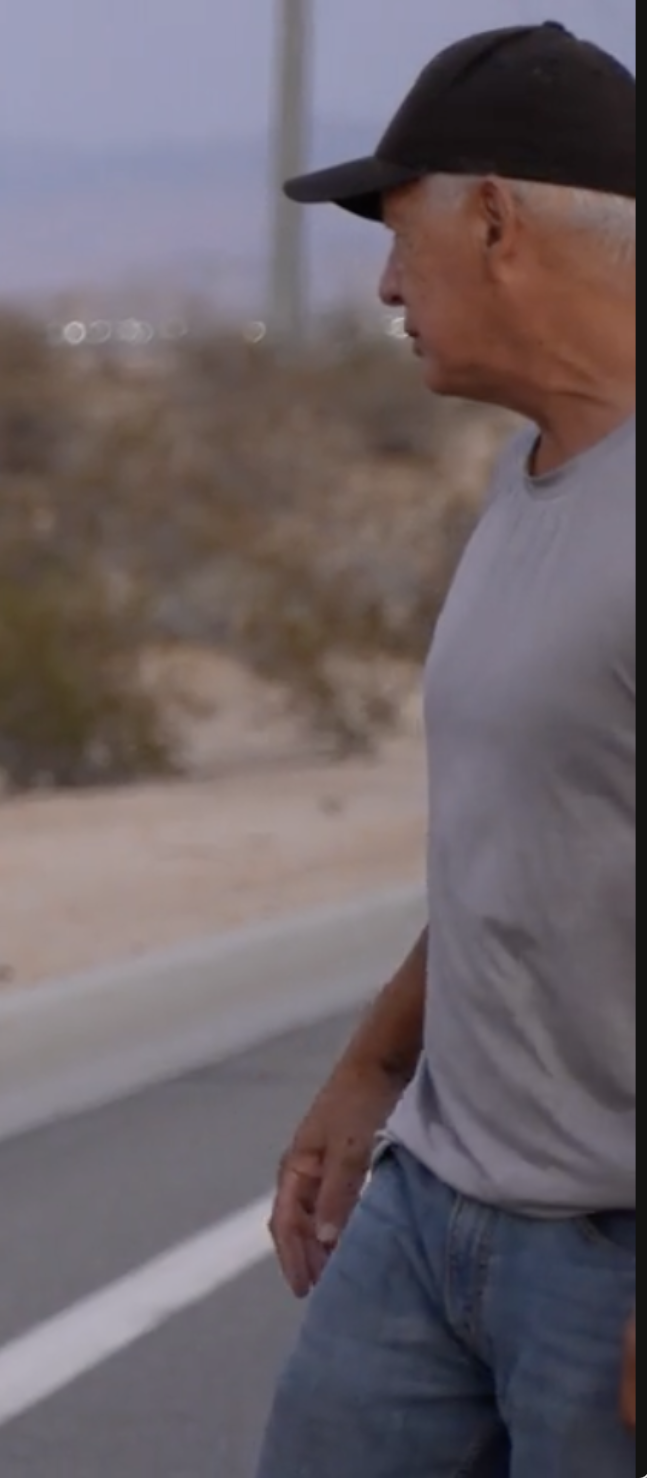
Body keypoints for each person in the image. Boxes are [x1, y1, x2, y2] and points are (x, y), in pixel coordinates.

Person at [255, 20, 636, 1478]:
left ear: (493, 219)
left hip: (605, 1254)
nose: (384, 285)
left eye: (398, 233)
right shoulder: (530, 476)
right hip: (435, 1207)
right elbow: (530, 831)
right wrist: (373, 1066)